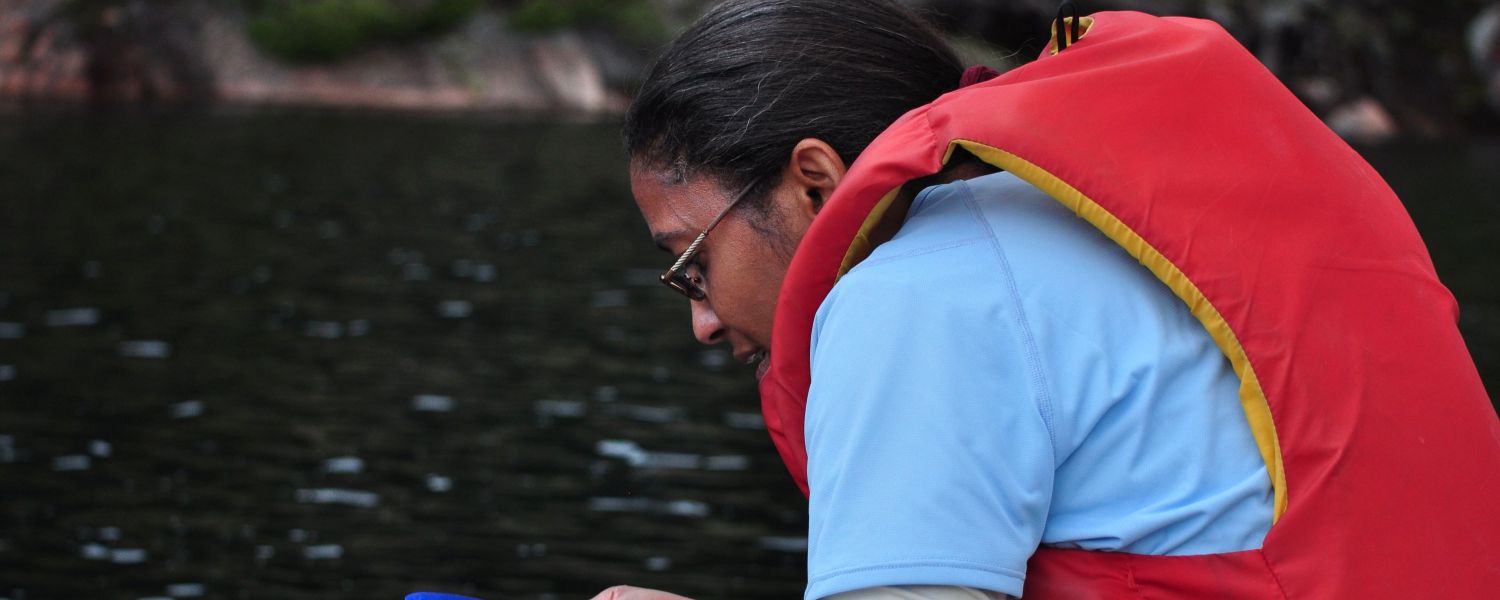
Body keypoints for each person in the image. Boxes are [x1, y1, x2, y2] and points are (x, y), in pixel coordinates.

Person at [598, 1, 1500, 599]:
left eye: (692, 263)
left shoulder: (913, 298)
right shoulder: (1081, 225)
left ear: (817, 185)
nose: (703, 319)